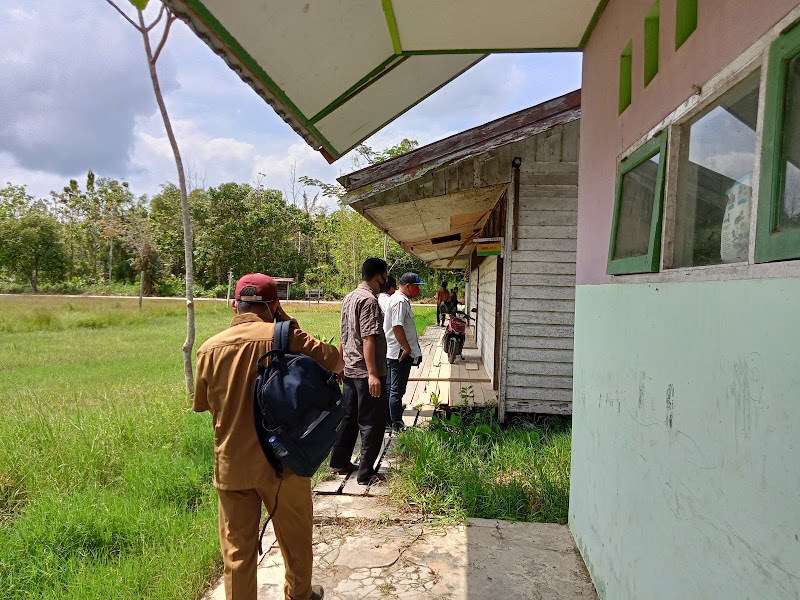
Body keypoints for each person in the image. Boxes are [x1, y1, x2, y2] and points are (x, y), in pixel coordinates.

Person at [194, 273, 343, 600]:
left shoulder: (207, 350)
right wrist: (288, 324)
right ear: (274, 305)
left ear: (235, 305)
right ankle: (298, 596)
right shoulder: (286, 335)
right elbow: (335, 360)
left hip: (232, 466)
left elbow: (203, 405)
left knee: (237, 553)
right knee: (295, 542)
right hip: (283, 462)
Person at [329, 258, 389, 486]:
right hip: (366, 372)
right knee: (372, 422)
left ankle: (339, 461)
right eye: (384, 276)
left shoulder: (350, 297)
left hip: (351, 369)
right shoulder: (369, 301)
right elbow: (368, 338)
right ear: (379, 277)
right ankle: (366, 474)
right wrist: (373, 374)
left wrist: (340, 363)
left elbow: (344, 334)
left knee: (348, 418)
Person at [385, 272, 425, 431]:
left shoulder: (397, 299)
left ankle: (388, 420)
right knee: (396, 391)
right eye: (417, 287)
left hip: (395, 351)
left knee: (391, 389)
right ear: (408, 286)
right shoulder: (399, 301)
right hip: (400, 353)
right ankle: (396, 425)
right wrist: (407, 348)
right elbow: (397, 326)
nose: (419, 291)